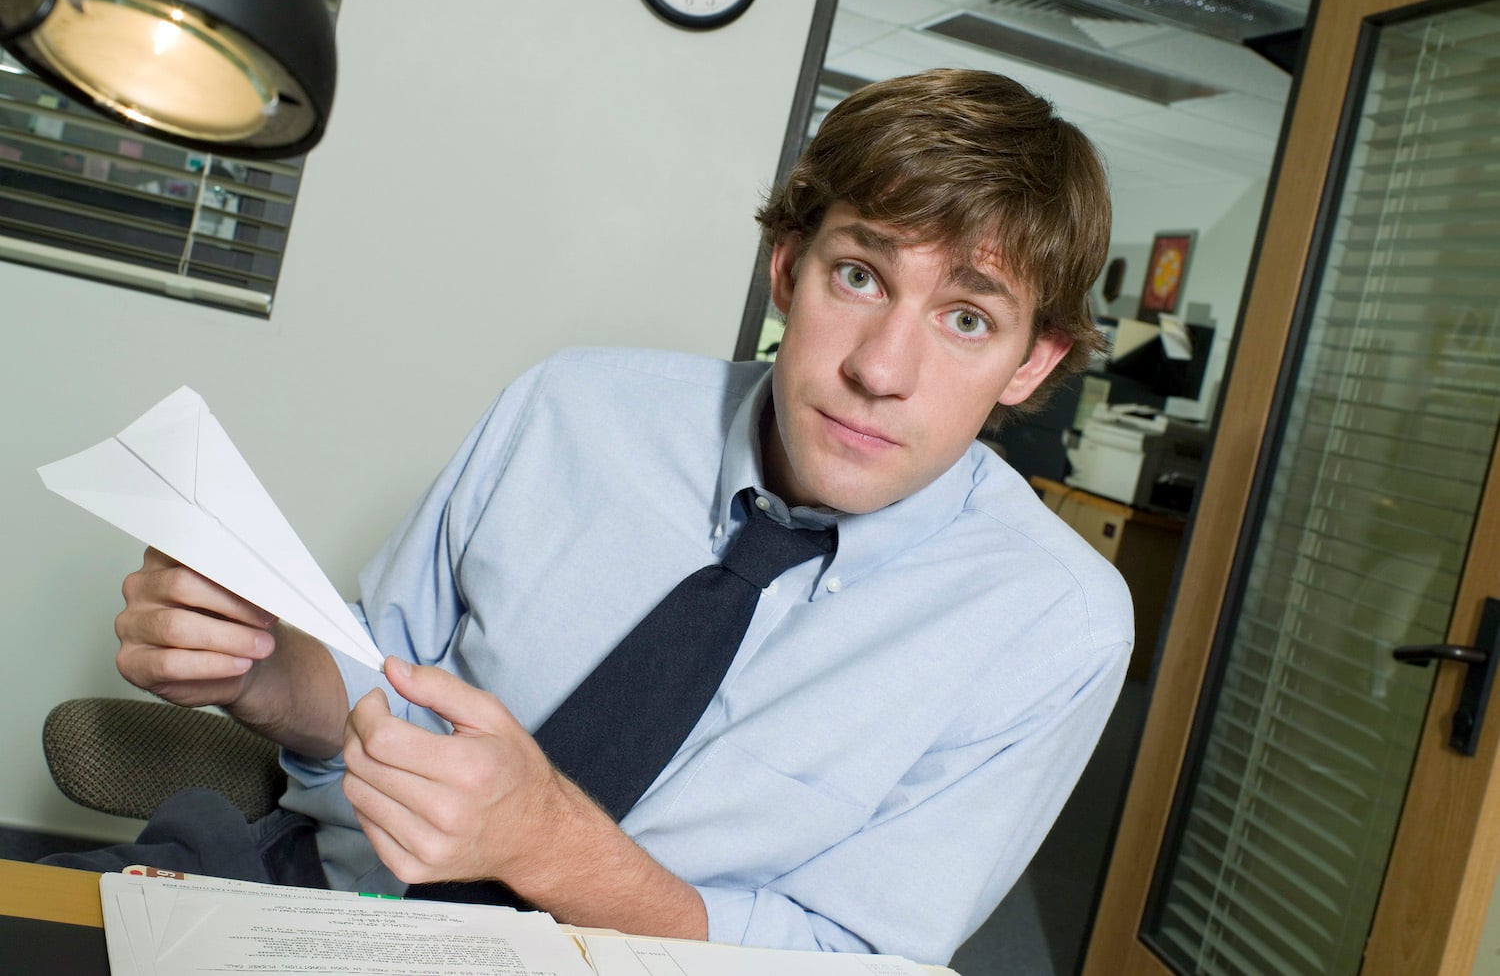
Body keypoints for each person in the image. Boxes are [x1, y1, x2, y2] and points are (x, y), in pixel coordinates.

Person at [53, 68, 1132, 966]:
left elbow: (846, 960)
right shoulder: (571, 408)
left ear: (1031, 364)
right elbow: (385, 682)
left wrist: (550, 847)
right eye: (858, 274)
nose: (881, 369)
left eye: (966, 319)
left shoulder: (1053, 625)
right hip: (312, 915)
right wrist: (262, 667)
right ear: (788, 267)